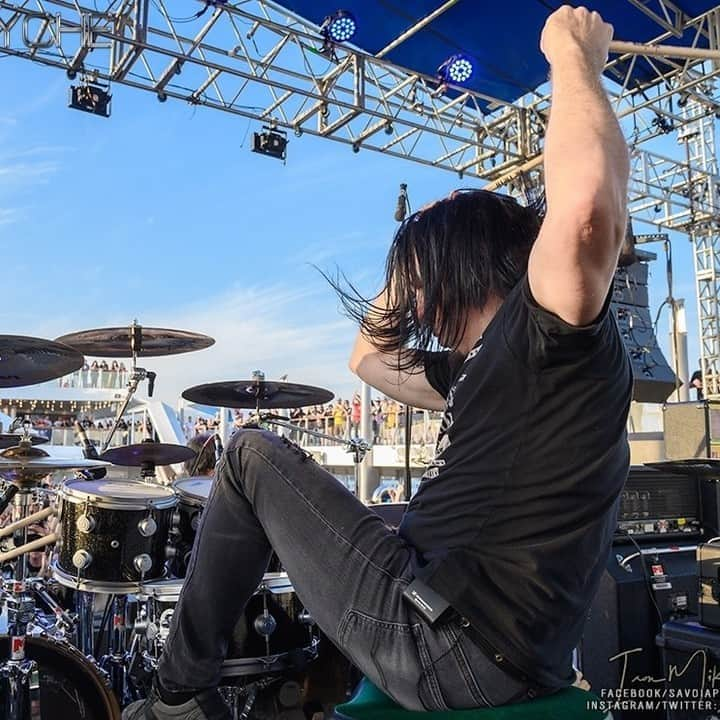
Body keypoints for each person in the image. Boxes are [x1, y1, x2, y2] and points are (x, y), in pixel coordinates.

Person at [123, 7, 631, 719]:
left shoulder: (542, 340)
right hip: (480, 642)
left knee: (250, 456)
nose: (412, 307)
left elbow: (584, 216)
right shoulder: (486, 370)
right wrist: (412, 247)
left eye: (418, 286)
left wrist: (572, 59)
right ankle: (313, 687)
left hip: (452, 649)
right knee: (374, 515)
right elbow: (367, 357)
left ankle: (176, 697)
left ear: (462, 265)